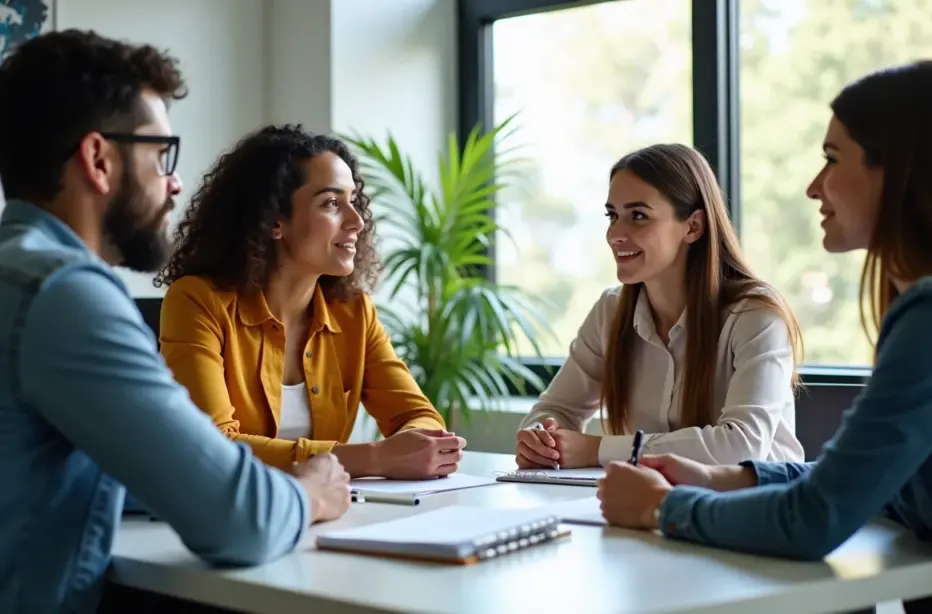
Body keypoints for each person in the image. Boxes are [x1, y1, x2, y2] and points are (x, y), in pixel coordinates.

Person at [596, 60, 932, 614]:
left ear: (895, 171)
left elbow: (815, 519)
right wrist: (730, 477)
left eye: (831, 159)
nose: (813, 187)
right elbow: (884, 478)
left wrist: (664, 510)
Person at [0, 30, 351, 614]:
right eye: (162, 155)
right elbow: (238, 521)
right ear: (98, 158)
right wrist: (310, 492)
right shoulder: (66, 295)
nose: (176, 182)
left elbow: (130, 470)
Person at [154, 124, 466, 478]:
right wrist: (376, 458)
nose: (357, 221)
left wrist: (417, 444)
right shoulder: (197, 301)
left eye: (354, 201)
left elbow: (416, 414)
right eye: (332, 203)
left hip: (331, 516)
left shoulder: (354, 312)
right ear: (274, 219)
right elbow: (212, 448)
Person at [515, 143, 805, 469]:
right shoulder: (610, 311)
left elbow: (740, 445)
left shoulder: (755, 315)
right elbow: (557, 409)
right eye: (613, 216)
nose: (615, 235)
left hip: (749, 512)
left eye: (638, 216)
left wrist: (598, 449)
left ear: (693, 226)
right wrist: (541, 437)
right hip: (642, 505)